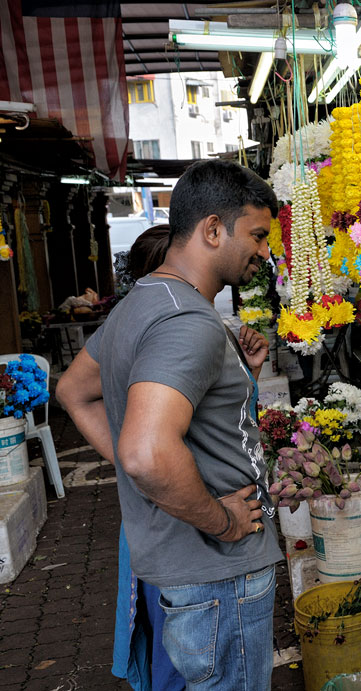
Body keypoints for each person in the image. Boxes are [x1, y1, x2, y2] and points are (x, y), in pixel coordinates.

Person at [57, 160, 283, 690]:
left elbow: (74, 391)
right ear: (211, 229)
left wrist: (234, 380)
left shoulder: (142, 303)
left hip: (185, 568)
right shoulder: (187, 322)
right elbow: (146, 452)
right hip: (217, 574)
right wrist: (221, 522)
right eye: (256, 234)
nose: (265, 252)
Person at [111, 223, 185, 691]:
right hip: (171, 515)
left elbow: (74, 392)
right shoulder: (163, 331)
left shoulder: (129, 323)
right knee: (177, 644)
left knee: (170, 637)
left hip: (154, 509)